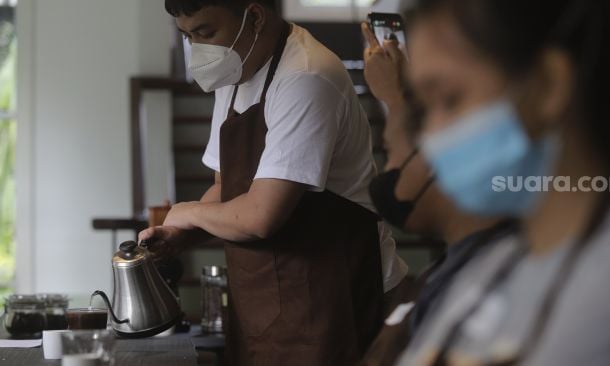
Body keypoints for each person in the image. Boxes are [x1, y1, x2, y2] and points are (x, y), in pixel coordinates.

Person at [138, 0, 408, 365]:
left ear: (254, 16)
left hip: (335, 297)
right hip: (265, 302)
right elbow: (226, 188)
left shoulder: (306, 75)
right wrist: (181, 234)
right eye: (187, 36)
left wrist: (185, 211)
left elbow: (261, 215)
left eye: (205, 32)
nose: (198, 49)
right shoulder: (235, 70)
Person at [395, 0, 610, 365]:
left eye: (450, 100)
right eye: (425, 108)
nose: (432, 136)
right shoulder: (499, 262)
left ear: (548, 86)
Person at [360, 21, 506, 366]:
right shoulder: (450, 273)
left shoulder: (489, 286)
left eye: (390, 152)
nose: (389, 168)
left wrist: (397, 98)